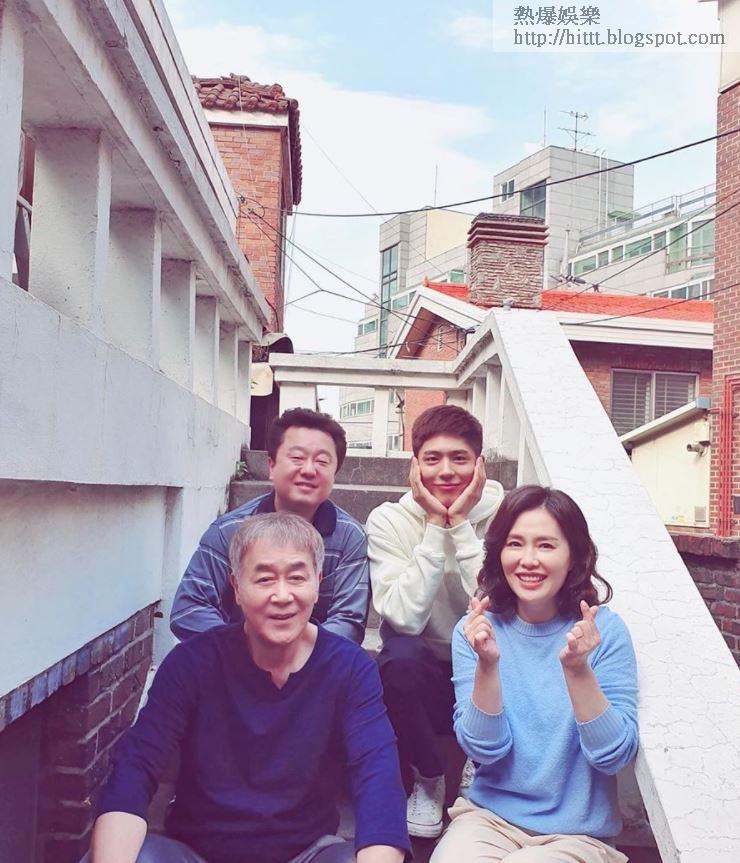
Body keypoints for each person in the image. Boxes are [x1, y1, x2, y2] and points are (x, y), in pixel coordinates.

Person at [85, 512, 410, 863]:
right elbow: (135, 769)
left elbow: (378, 779)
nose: (282, 595)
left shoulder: (349, 668)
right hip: (196, 853)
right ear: (237, 588)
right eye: (265, 579)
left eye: (297, 577)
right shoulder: (192, 663)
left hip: (306, 853)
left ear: (317, 584)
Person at [430, 485, 639, 863]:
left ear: (574, 556)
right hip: (489, 820)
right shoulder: (475, 630)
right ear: (499, 553)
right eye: (515, 544)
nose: (528, 560)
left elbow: (613, 757)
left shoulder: (604, 632)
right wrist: (487, 665)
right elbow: (482, 750)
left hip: (579, 835)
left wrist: (577, 670)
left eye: (545, 545)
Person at [366, 405, 504, 838]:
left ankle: (483, 764)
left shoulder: (507, 516)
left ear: (480, 464)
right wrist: (432, 526)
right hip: (423, 665)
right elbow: (405, 618)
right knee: (398, 657)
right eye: (432, 458)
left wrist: (459, 524)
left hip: (489, 662)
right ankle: (428, 777)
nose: (446, 471)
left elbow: (502, 606)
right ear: (415, 465)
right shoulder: (389, 520)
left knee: (514, 639)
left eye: (459, 458)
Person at [170, 408, 369, 644]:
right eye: (297, 458)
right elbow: (189, 609)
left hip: (316, 661)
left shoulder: (349, 537)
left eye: (322, 461)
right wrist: (247, 650)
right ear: (271, 466)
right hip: (235, 659)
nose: (308, 470)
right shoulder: (229, 531)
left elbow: (348, 620)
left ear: (334, 474)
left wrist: (296, 653)